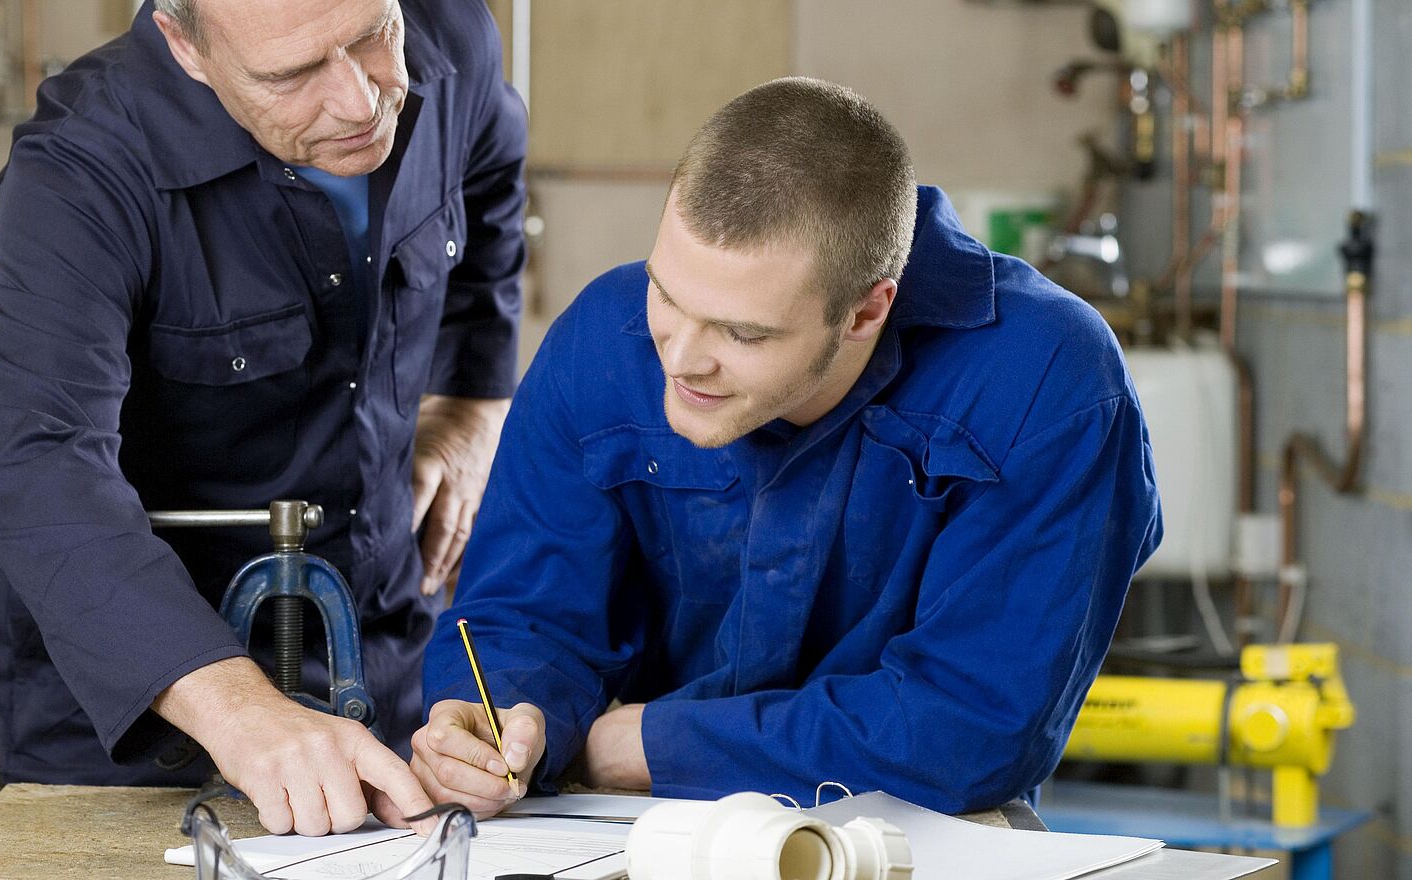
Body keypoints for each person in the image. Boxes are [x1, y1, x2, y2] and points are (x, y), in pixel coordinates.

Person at [411, 77, 1162, 818]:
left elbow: (973, 725)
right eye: (667, 296)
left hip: (924, 830)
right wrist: (504, 721)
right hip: (635, 824)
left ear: (869, 308)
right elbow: (519, 617)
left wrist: (637, 744)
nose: (679, 359)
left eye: (743, 333)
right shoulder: (599, 341)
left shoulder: (1047, 379)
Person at [0, 0, 525, 835]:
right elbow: (36, 462)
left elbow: (490, 180)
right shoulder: (83, 167)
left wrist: (472, 402)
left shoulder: (455, 36)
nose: (358, 100)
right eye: (293, 75)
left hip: (388, 662)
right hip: (143, 727)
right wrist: (238, 709)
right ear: (185, 46)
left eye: (373, 37)